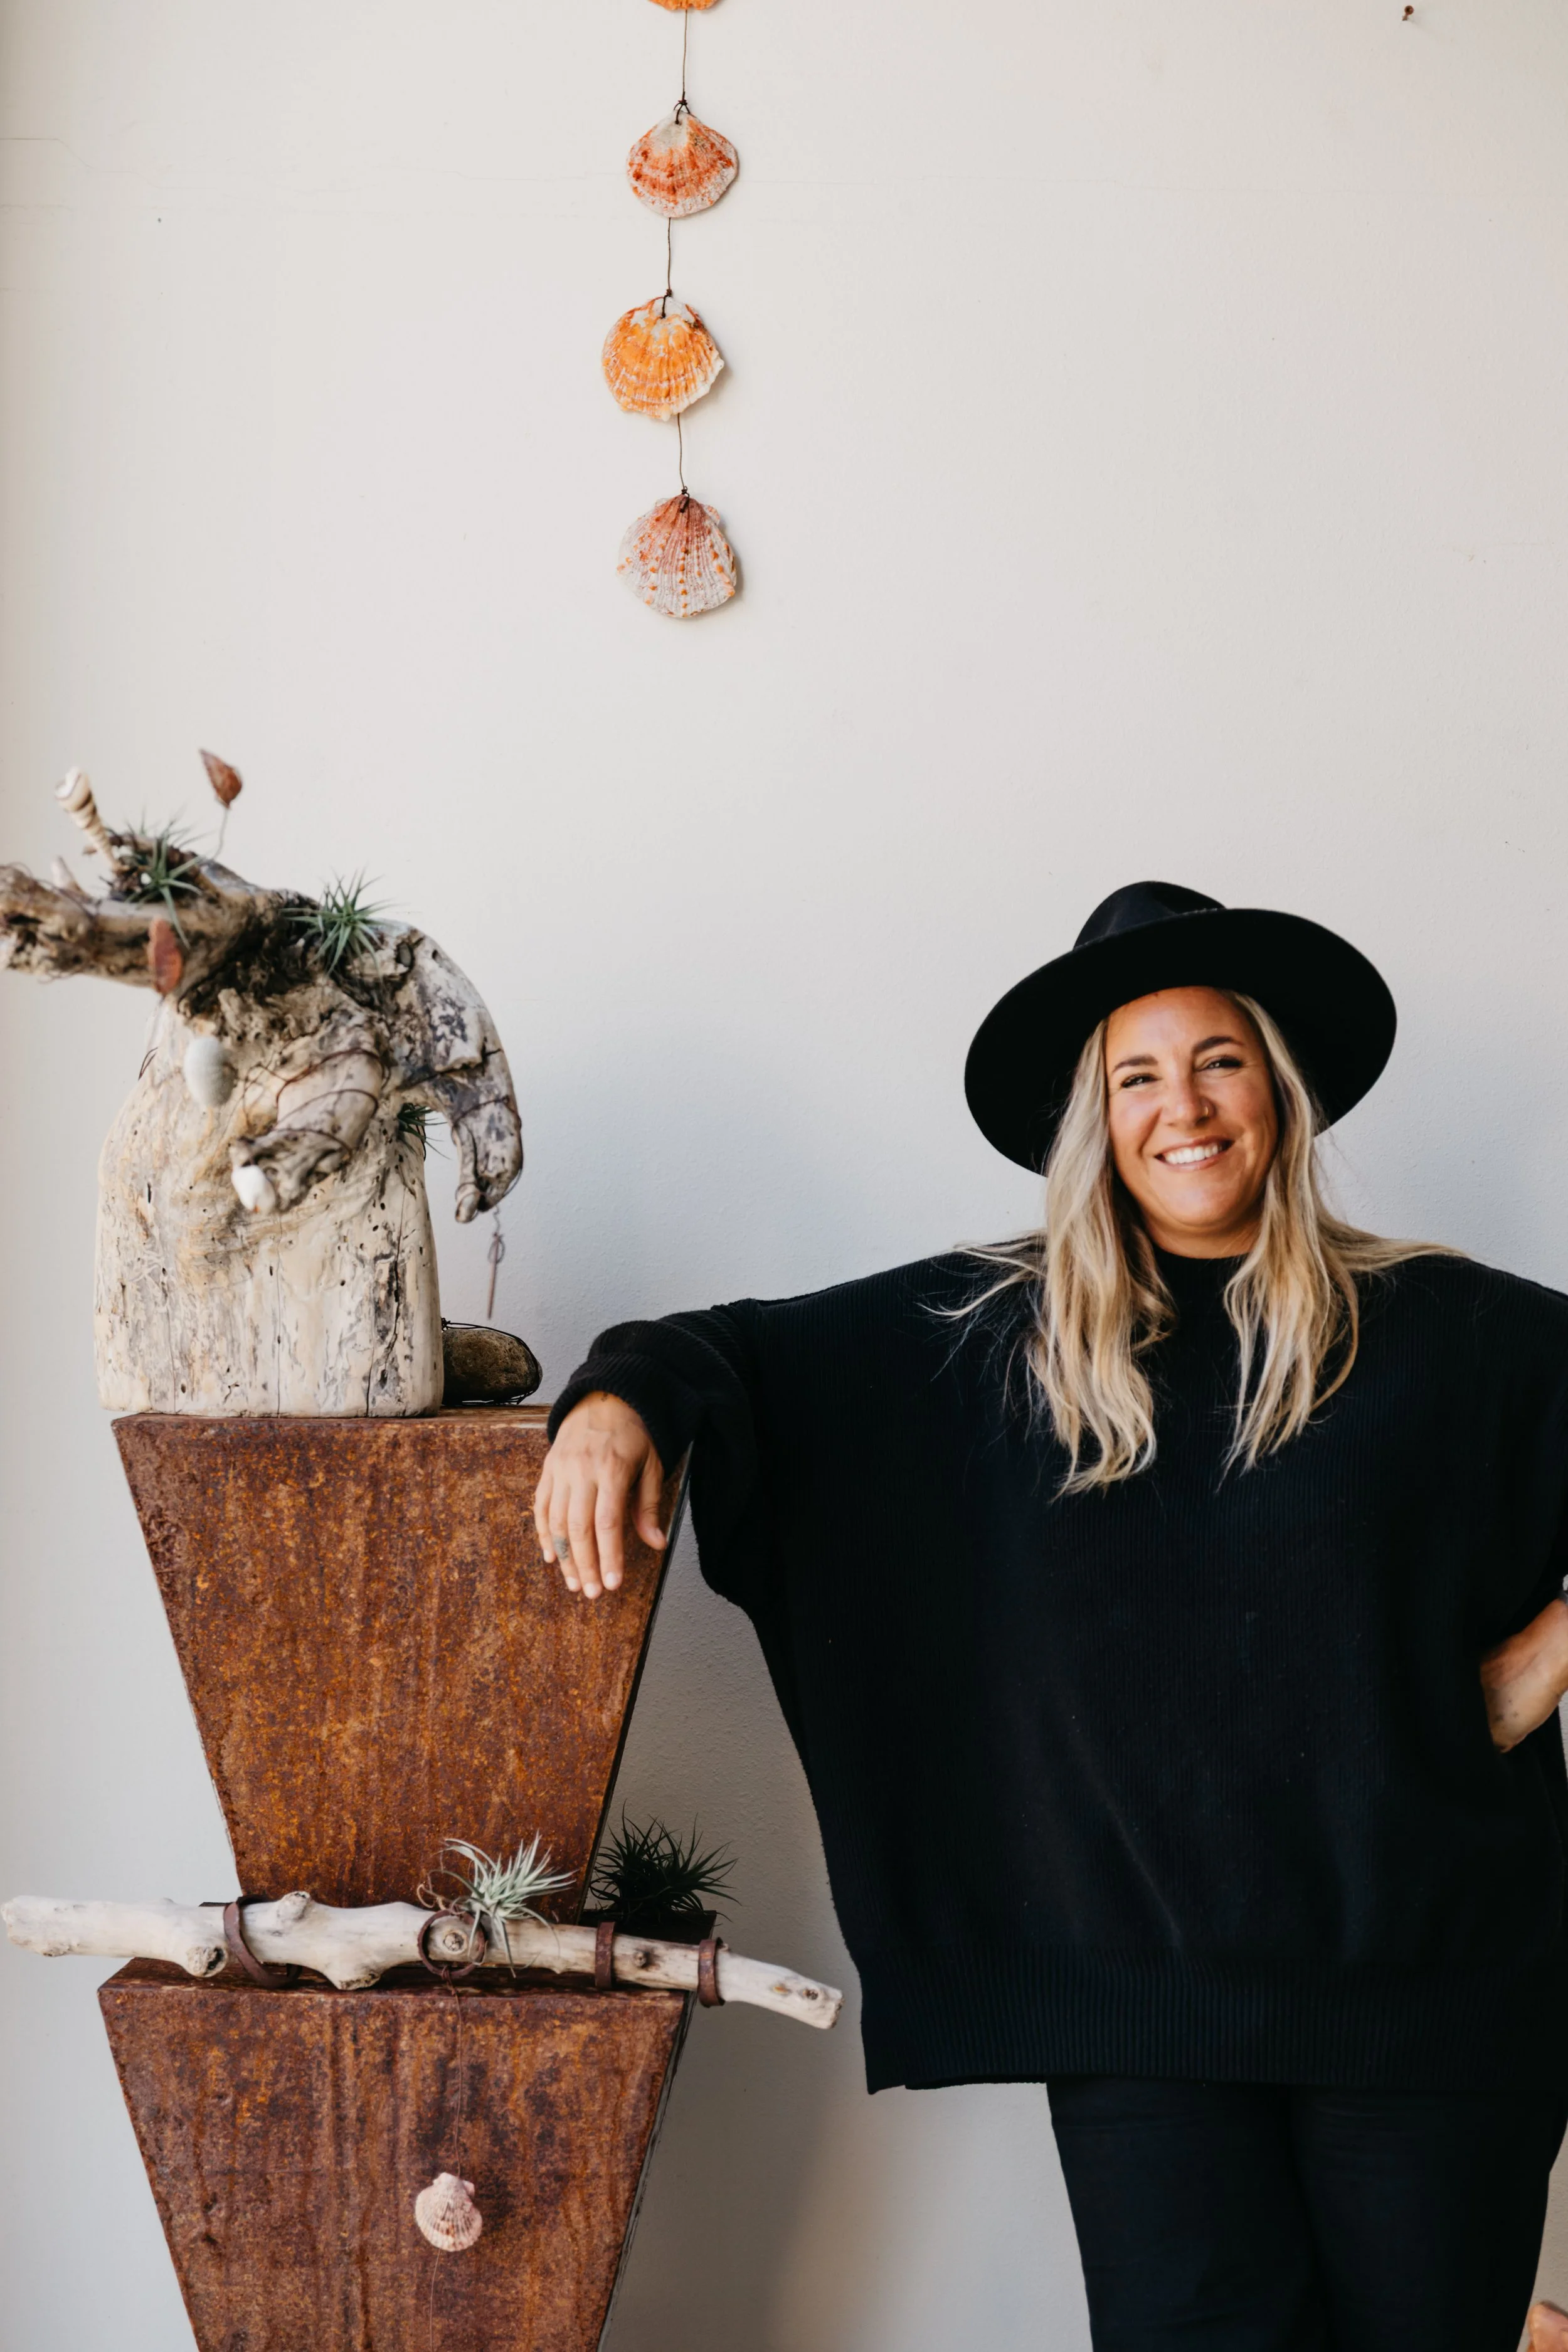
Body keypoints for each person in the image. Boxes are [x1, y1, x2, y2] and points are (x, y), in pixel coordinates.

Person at [535, 879, 1568, 2352]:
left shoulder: (1449, 1332)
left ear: (1274, 1086)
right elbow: (729, 1359)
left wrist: (1543, 1658)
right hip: (1142, 2013)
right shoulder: (994, 1342)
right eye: (1134, 1075)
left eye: (1216, 1059)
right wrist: (616, 1400)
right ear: (1094, 1118)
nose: (1184, 1106)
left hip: (1435, 1998)